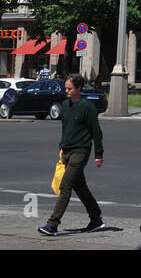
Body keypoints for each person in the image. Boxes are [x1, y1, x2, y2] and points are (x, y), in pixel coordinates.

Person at [38, 74, 104, 236]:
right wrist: (62, 149)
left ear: (79, 89)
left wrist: (98, 154)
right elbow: (66, 129)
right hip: (66, 152)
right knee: (80, 187)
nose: (66, 91)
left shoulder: (87, 107)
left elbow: (96, 132)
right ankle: (96, 219)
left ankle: (52, 224)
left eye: (70, 88)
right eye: (66, 88)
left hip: (80, 152)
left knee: (65, 187)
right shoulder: (66, 105)